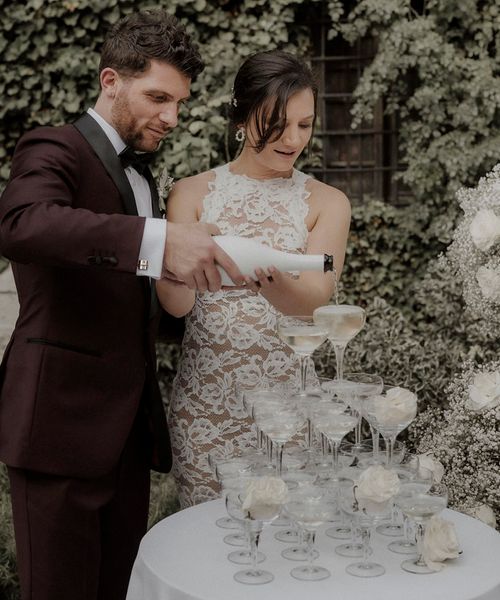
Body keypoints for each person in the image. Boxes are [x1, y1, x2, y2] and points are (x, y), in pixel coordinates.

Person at [0, 9, 242, 600]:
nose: (172, 117)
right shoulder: (53, 147)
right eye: (158, 97)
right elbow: (22, 223)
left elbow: (124, 301)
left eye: (180, 103)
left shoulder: (146, 179)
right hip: (58, 427)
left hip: (128, 435)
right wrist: (158, 241)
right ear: (111, 82)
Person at [156, 50, 351, 508]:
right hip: (207, 407)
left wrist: (263, 278)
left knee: (291, 543)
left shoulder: (328, 202)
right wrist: (182, 264)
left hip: (290, 411)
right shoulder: (188, 193)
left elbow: (316, 305)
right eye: (277, 124)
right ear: (242, 117)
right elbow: (176, 306)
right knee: (210, 545)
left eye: (305, 124)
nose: (293, 138)